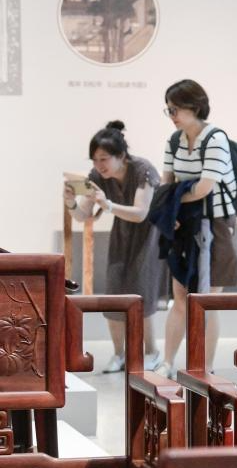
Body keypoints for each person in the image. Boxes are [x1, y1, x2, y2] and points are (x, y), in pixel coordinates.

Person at [154, 79, 237, 377]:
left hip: (215, 226)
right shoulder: (174, 141)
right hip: (184, 225)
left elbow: (205, 188)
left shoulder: (215, 139)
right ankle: (167, 362)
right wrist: (171, 210)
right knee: (180, 295)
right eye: (168, 109)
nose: (171, 114)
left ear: (194, 106)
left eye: (175, 108)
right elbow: (166, 183)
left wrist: (174, 202)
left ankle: (204, 367)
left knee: (207, 299)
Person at [63, 121, 163, 372]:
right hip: (122, 233)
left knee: (143, 293)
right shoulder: (97, 177)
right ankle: (119, 354)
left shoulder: (143, 170)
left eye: (104, 159)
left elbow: (141, 213)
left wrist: (107, 205)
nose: (99, 165)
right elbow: (83, 215)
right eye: (95, 160)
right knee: (114, 291)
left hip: (150, 235)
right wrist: (71, 203)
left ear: (121, 156)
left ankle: (151, 351)